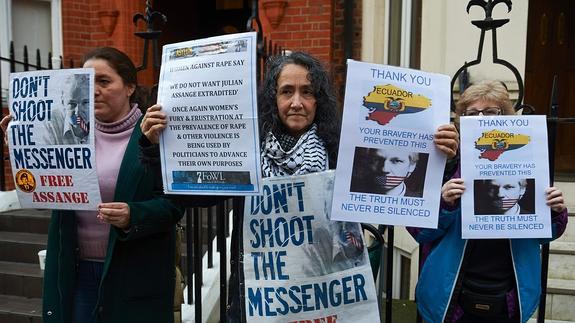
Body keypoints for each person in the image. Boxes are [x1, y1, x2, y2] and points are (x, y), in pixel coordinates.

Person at [140, 51, 459, 322]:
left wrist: (437, 156)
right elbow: (191, 199)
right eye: (286, 91)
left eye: (307, 92)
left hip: (328, 302)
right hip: (259, 302)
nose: (296, 102)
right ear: (273, 98)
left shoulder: (343, 153)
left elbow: (396, 204)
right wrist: (156, 148)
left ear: (319, 100)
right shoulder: (246, 153)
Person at [1, 47, 184, 323]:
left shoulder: (154, 132)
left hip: (133, 272)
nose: (94, 90)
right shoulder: (66, 132)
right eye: (87, 81)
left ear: (130, 86)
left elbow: (174, 205)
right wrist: (24, 149)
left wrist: (133, 216)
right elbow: (45, 192)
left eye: (104, 81)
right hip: (78, 272)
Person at [408, 80, 568, 323]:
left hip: (508, 299)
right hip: (452, 297)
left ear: (508, 117)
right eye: (472, 114)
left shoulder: (528, 160)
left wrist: (555, 212)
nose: (482, 119)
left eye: (492, 111)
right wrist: (445, 203)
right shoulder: (444, 161)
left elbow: (545, 234)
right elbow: (419, 232)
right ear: (461, 121)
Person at [350, 147, 424, 197]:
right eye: (376, 160)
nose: (384, 169)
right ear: (367, 162)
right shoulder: (351, 191)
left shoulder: (422, 202)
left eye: (396, 161)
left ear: (412, 166)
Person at [44, 73, 91, 144]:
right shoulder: (51, 124)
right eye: (72, 104)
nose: (77, 112)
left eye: (85, 103)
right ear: (63, 102)